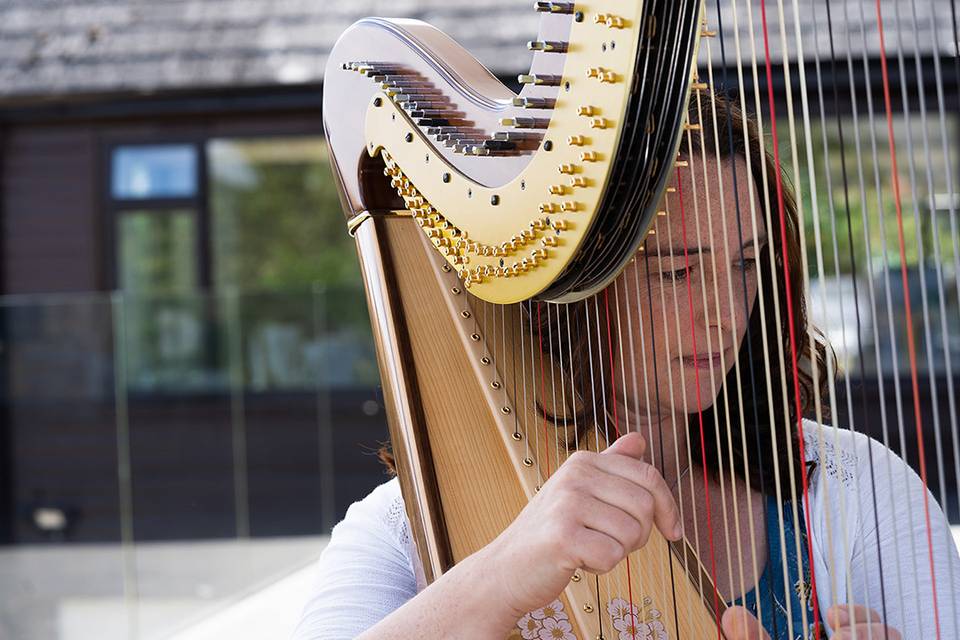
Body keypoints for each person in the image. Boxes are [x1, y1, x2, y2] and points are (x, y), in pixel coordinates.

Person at [292, 96, 960, 640]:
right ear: (572, 289)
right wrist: (499, 578)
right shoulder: (404, 527)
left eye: (747, 263)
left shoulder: (857, 491)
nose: (727, 312)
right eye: (676, 270)